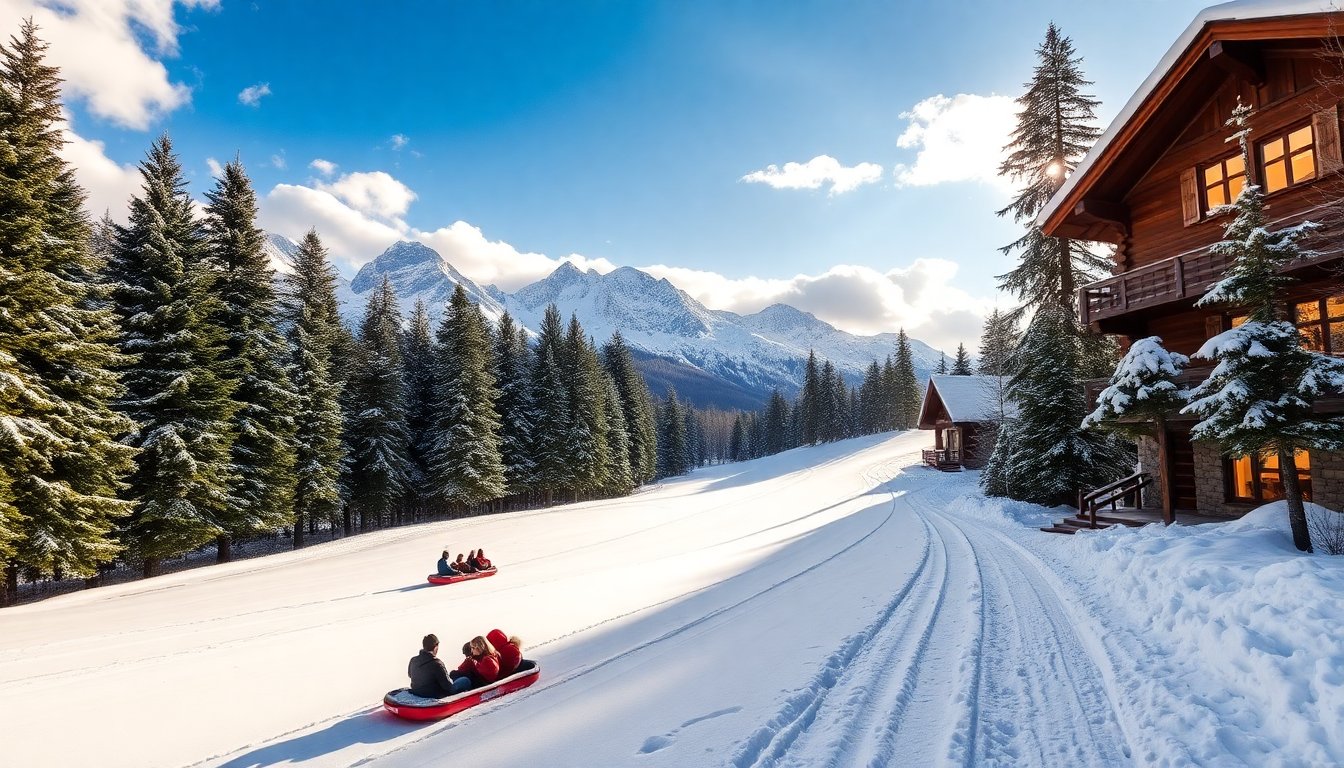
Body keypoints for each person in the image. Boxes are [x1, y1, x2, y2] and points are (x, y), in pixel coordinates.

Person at [408, 633, 453, 698]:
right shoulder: (437, 663)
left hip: (416, 691)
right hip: (433, 695)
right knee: (464, 680)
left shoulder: (413, 660)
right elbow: (448, 686)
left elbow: (410, 675)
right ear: (436, 647)